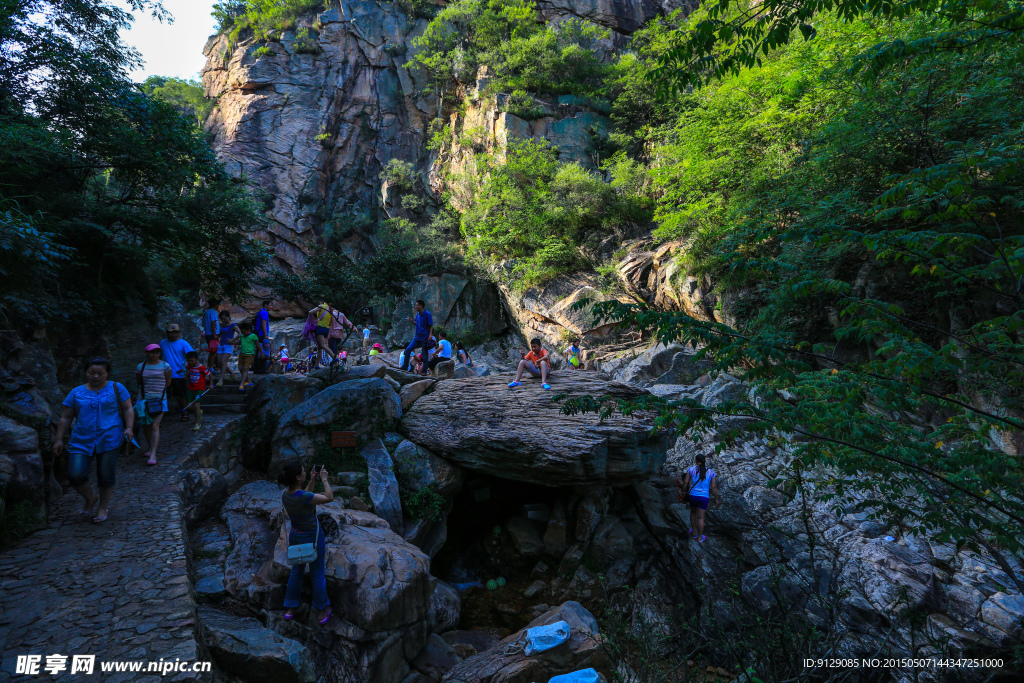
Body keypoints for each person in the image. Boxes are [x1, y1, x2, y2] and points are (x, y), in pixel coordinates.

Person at [53, 358, 134, 524]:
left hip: (110, 438)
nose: (95, 376)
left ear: (107, 374)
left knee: (105, 476)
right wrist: (59, 439)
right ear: (85, 373)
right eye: (91, 373)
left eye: (100, 373)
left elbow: (128, 409)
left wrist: (129, 428)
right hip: (81, 440)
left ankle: (102, 507)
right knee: (75, 475)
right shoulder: (76, 392)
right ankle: (91, 497)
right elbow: (66, 417)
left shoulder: (117, 388)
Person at [279, 460, 334, 625]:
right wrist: (324, 479)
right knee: (317, 574)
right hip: (312, 536)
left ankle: (291, 607)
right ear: (297, 477)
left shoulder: (285, 494)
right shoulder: (303, 496)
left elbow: (304, 497)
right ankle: (323, 609)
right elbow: (329, 497)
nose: (305, 472)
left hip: (296, 535)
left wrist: (311, 480)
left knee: (297, 572)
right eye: (303, 472)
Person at [136, 344, 172, 466]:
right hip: (144, 399)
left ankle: (153, 454)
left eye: (157, 352)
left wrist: (158, 392)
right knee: (146, 425)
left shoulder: (165, 366)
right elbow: (139, 382)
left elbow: (168, 382)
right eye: (152, 352)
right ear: (146, 353)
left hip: (160, 399)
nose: (154, 354)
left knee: (155, 425)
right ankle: (151, 447)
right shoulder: (141, 367)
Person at [682, 453, 720, 543]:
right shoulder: (711, 472)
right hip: (704, 497)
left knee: (693, 512)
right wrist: (716, 498)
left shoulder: (690, 470)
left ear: (696, 461)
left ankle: (694, 532)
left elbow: (686, 481)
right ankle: (700, 537)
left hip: (693, 496)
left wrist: (683, 491)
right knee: (700, 518)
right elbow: (714, 487)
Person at [159, 324, 194, 420]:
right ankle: (159, 416)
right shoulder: (162, 343)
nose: (173, 335)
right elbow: (160, 356)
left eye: (175, 332)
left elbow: (191, 356)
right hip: (164, 374)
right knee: (163, 396)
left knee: (180, 396)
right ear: (167, 333)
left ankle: (184, 412)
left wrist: (189, 370)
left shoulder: (184, 343)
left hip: (178, 373)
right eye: (171, 333)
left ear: (179, 332)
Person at [401, 300, 433, 376]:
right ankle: (405, 367)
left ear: (421, 306)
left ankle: (424, 371)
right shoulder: (418, 314)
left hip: (424, 337)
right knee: (408, 349)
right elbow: (416, 323)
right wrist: (411, 321)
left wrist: (430, 335)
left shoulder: (428, 314)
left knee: (425, 356)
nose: (415, 307)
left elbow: (431, 325)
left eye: (416, 305)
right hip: (417, 337)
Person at [185, 351, 211, 432]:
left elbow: (210, 375)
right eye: (188, 361)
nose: (190, 362)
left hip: (199, 389)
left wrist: (211, 384)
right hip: (191, 388)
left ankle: (197, 423)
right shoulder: (189, 366)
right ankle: (199, 412)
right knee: (189, 406)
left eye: (192, 361)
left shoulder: (202, 367)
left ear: (197, 359)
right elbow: (188, 375)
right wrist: (187, 377)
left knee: (197, 405)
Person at [236, 321, 261, 392]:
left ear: (249, 330)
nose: (243, 333)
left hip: (249, 354)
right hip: (242, 354)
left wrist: (261, 353)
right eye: (242, 332)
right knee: (240, 368)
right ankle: (248, 381)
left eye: (244, 332)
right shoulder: (242, 336)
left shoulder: (253, 336)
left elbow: (258, 345)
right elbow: (239, 343)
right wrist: (231, 342)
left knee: (245, 368)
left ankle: (242, 383)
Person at [216, 310, 239, 386]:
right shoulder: (222, 325)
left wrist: (233, 340)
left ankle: (221, 379)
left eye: (224, 318)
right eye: (222, 319)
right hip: (221, 345)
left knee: (223, 361)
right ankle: (232, 374)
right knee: (219, 362)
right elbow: (219, 334)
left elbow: (240, 333)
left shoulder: (233, 325)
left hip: (228, 345)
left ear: (228, 317)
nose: (223, 320)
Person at [202, 298, 221, 372]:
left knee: (212, 351)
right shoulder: (213, 312)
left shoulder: (206, 312)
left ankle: (213, 366)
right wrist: (214, 334)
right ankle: (210, 367)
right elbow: (213, 323)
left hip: (207, 334)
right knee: (213, 352)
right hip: (212, 334)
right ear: (215, 305)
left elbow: (203, 324)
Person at [255, 300, 271, 374]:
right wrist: (265, 335)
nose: (271, 307)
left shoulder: (259, 312)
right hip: (262, 335)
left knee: (258, 351)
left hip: (258, 334)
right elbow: (263, 324)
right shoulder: (264, 313)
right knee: (264, 352)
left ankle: (257, 369)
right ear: (265, 305)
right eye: (270, 305)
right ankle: (262, 369)